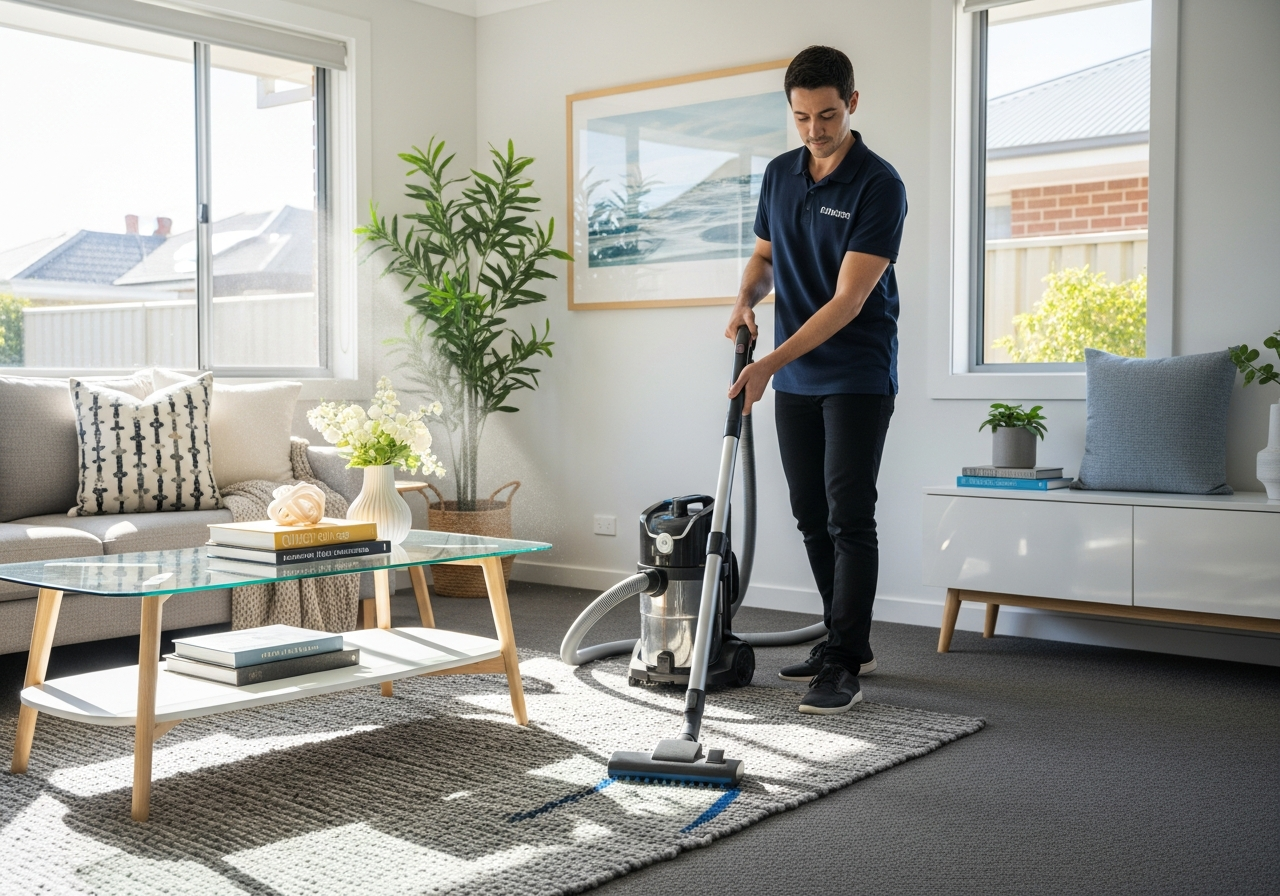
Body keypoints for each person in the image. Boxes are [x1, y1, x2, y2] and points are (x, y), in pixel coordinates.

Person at [726, 45, 906, 715]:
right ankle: (843, 639)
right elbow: (764, 259)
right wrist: (745, 297)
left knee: (848, 513)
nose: (814, 131)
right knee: (810, 515)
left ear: (851, 103)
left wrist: (767, 362)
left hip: (856, 373)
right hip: (795, 374)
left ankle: (842, 662)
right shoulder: (779, 175)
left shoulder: (878, 185)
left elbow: (849, 301)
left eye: (826, 115)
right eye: (801, 117)